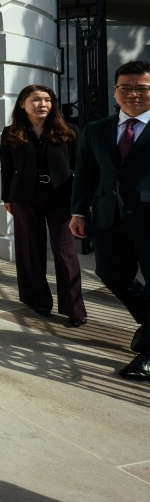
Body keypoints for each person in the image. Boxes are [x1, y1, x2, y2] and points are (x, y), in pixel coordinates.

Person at [70, 60, 150, 382]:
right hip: (109, 217)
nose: (133, 94)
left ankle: (148, 353)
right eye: (126, 88)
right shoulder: (96, 130)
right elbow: (85, 175)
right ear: (115, 91)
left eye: (142, 88)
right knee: (110, 273)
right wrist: (78, 211)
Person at [0, 84, 86, 326]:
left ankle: (75, 309)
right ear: (22, 104)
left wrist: (80, 203)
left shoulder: (69, 131)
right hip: (25, 198)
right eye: (36, 99)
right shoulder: (10, 133)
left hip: (61, 198)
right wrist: (7, 197)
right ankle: (37, 300)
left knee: (64, 251)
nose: (43, 104)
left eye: (47, 99)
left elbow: (80, 169)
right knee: (29, 250)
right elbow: (6, 168)